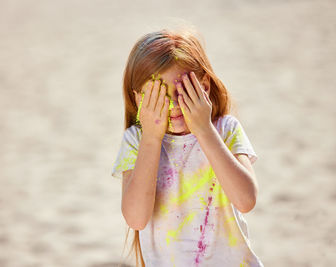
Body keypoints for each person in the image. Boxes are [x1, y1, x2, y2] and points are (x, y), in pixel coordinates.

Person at [111, 27, 264, 267]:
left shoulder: (225, 129)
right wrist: (151, 139)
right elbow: (136, 218)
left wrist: (203, 129)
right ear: (140, 99)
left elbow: (246, 200)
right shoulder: (136, 141)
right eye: (159, 95)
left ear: (203, 86)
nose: (172, 105)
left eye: (180, 91)